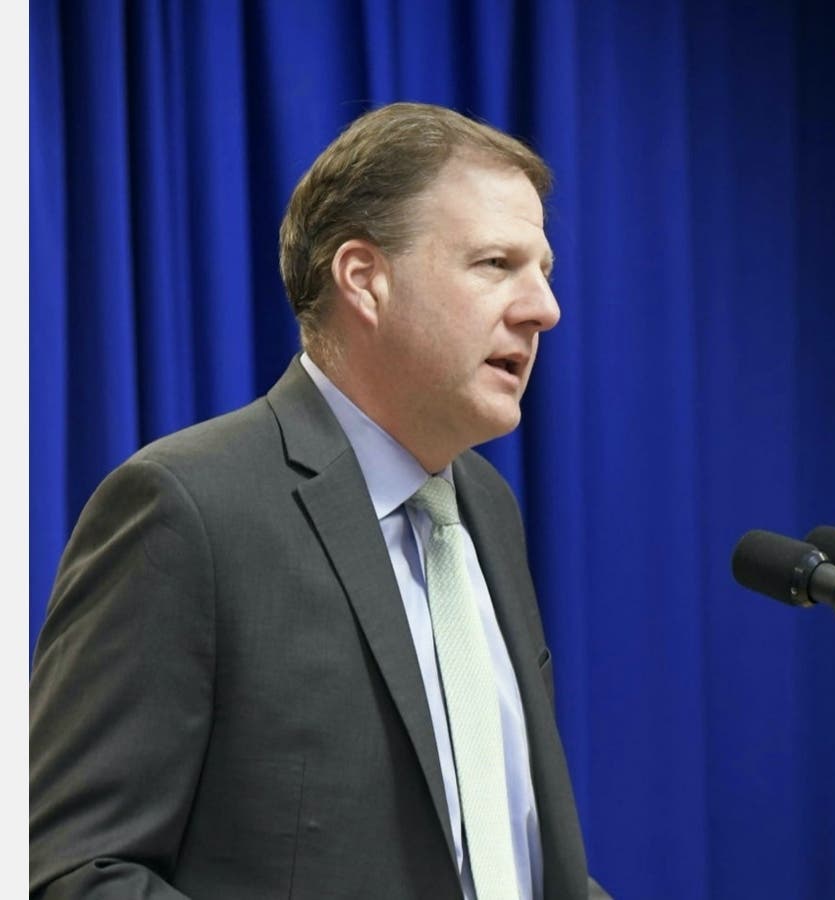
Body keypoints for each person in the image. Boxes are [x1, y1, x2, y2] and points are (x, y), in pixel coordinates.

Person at [30, 101, 609, 900]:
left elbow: (501, 864)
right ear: (365, 280)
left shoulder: (486, 508)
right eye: (495, 264)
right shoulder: (188, 508)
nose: (544, 307)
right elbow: (72, 871)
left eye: (543, 269)